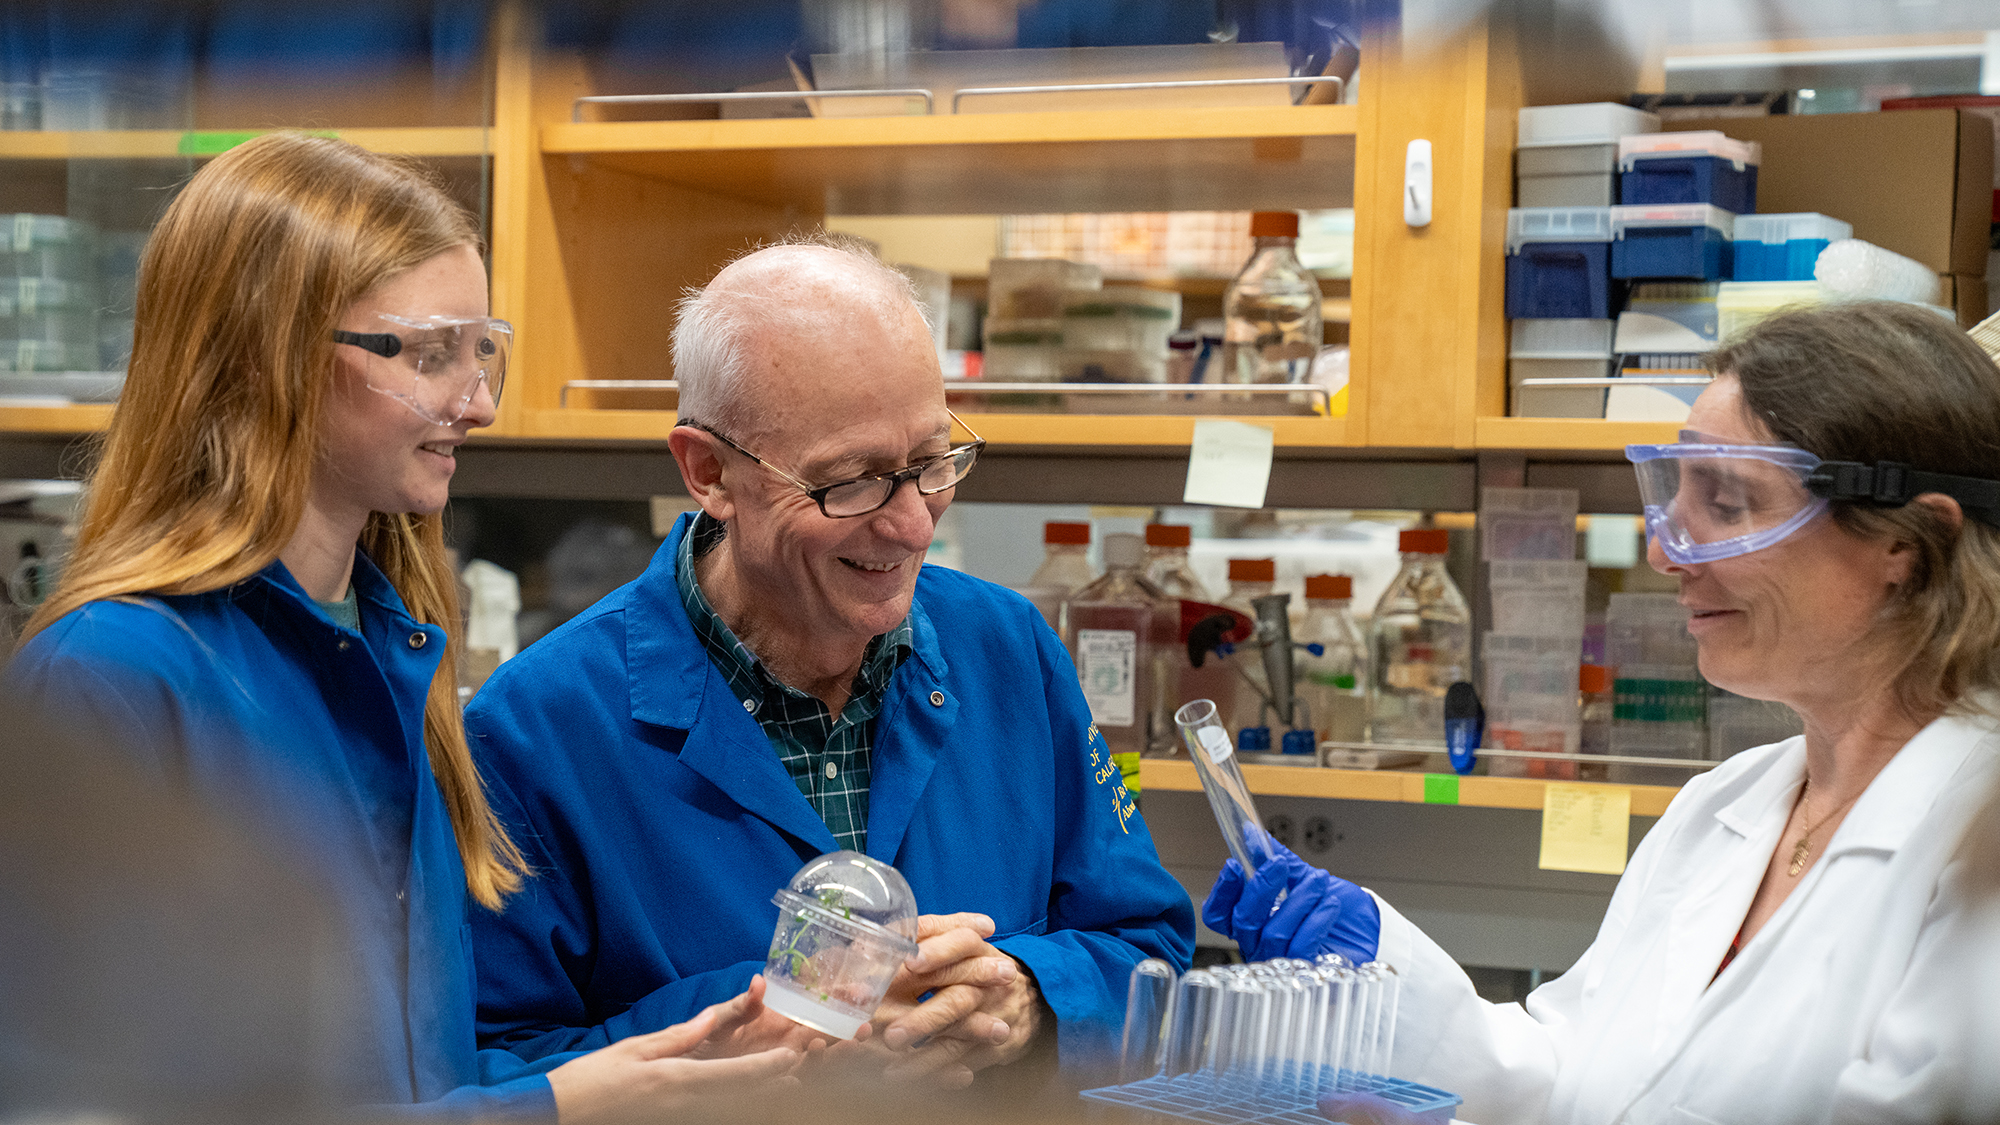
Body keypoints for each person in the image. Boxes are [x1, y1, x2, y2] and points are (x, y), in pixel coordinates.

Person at [3, 132, 802, 1122]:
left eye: (481, 353)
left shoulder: (392, 652)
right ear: (265, 359)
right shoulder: (112, 680)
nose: (475, 404)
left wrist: (669, 1050)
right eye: (428, 355)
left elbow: (401, 1080)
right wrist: (555, 1108)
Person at [1206, 299, 2000, 1124]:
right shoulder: (1722, 805)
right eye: (1675, 493)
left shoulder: (1982, 846)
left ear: (1906, 545)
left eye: (1725, 504)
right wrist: (1381, 964)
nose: (1665, 551)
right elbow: (1567, 1075)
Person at [463, 238, 1195, 1088]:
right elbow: (493, 1069)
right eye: (851, 481)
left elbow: (1148, 948)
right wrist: (757, 1025)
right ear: (710, 471)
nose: (914, 524)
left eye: (931, 463)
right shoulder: (532, 735)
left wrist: (1033, 994)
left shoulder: (1007, 648)